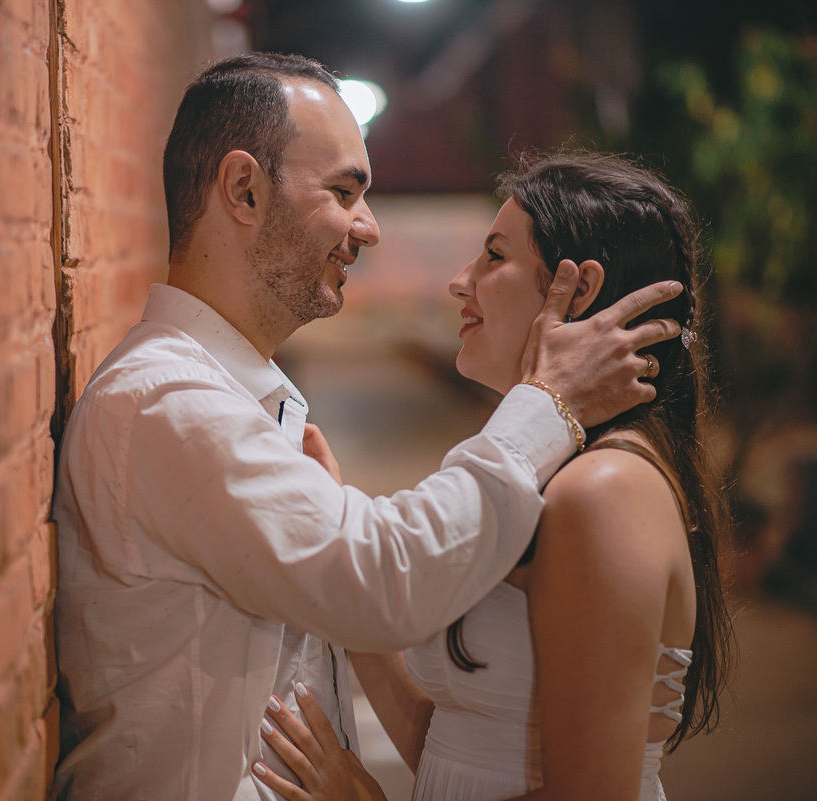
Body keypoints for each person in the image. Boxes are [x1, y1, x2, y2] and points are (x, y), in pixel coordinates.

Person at [52, 53, 683, 801]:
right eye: (345, 190)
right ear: (244, 190)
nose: (371, 227)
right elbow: (385, 582)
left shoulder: (221, 397)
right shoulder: (171, 401)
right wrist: (546, 404)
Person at [255, 152, 735, 801]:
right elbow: (459, 747)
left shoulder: (603, 493)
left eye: (493, 256)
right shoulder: (548, 465)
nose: (459, 281)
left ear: (579, 289)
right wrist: (347, 571)